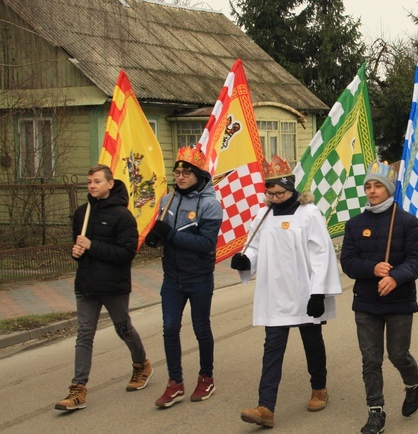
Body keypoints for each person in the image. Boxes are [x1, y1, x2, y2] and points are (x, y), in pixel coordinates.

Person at [231, 155, 342, 428]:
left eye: (280, 193)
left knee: (312, 342)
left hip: (304, 292)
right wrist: (246, 260)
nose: (276, 198)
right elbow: (254, 247)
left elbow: (321, 255)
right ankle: (265, 407)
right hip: (275, 294)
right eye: (271, 193)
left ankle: (319, 387)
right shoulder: (263, 215)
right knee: (272, 349)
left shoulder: (309, 214)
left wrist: (319, 293)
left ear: (292, 189)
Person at [340, 161, 418, 434]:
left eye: (378, 185)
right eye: (368, 185)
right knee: (371, 359)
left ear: (389, 189)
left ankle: (415, 383)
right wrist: (373, 268)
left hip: (399, 300)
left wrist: (395, 276)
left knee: (398, 354)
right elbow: (348, 262)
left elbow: (417, 260)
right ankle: (375, 411)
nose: (372, 190)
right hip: (366, 301)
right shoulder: (355, 224)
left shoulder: (406, 222)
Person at [55, 164, 151, 411]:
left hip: (113, 285)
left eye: (97, 181)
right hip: (86, 284)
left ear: (110, 183)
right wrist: (76, 253)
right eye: (89, 182)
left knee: (123, 328)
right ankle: (78, 389)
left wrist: (91, 245)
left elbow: (127, 253)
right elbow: (80, 247)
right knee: (84, 334)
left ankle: (141, 365)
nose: (92, 186)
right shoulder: (82, 212)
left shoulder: (123, 216)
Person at [145, 146, 222, 408]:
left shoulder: (210, 204)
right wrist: (154, 239)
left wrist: (171, 235)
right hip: (172, 279)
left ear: (198, 174)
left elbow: (206, 244)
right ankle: (175, 383)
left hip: (199, 277)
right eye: (177, 172)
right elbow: (163, 236)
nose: (180, 177)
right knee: (169, 329)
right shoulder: (167, 200)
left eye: (186, 172)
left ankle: (206, 377)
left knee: (201, 329)